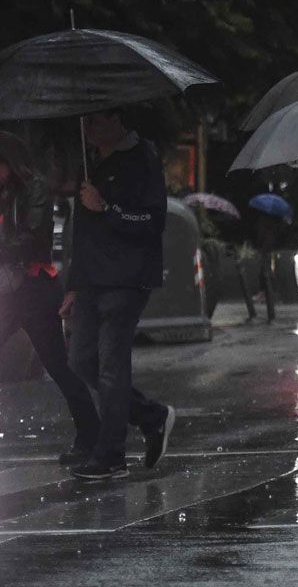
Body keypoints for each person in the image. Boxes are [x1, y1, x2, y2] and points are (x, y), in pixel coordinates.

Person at [62, 110, 176, 481]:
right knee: (81, 360)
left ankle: (111, 455)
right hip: (92, 281)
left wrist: (106, 207)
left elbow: (152, 220)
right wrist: (73, 286)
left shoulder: (141, 158)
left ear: (115, 118)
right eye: (82, 122)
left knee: (112, 366)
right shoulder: (89, 161)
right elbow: (81, 232)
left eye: (92, 120)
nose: (86, 128)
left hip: (125, 280)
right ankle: (151, 416)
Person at [0, 133, 99, 460]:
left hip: (34, 288)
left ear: (10, 162)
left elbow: (31, 237)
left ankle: (91, 436)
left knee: (58, 365)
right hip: (6, 290)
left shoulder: (35, 189)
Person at [243, 193, 292, 322]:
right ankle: (267, 291)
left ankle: (267, 292)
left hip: (267, 247)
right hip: (267, 246)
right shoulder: (273, 222)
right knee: (266, 269)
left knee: (266, 269)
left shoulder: (267, 222)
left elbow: (264, 234)